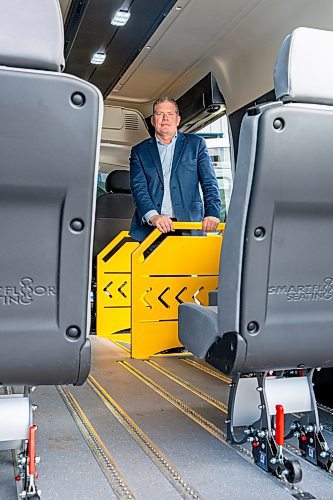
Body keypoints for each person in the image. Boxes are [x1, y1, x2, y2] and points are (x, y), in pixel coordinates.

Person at [129, 96, 221, 242]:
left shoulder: (196, 144)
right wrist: (153, 216)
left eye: (170, 114)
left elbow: (209, 182)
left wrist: (212, 213)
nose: (165, 118)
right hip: (151, 231)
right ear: (153, 121)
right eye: (160, 114)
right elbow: (139, 188)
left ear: (177, 120)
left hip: (190, 226)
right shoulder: (139, 151)